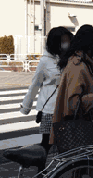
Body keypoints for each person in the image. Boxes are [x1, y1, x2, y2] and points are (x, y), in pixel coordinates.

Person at [49, 24, 93, 148]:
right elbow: (73, 104)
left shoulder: (77, 62)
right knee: (84, 165)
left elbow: (79, 91)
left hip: (77, 130)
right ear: (89, 47)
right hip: (78, 131)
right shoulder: (78, 66)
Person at [20, 26, 73, 167]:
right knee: (46, 145)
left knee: (66, 145)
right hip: (49, 109)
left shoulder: (71, 58)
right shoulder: (45, 61)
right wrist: (26, 106)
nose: (65, 44)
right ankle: (41, 175)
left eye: (67, 41)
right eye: (62, 41)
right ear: (55, 42)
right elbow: (35, 84)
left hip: (67, 108)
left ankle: (64, 173)